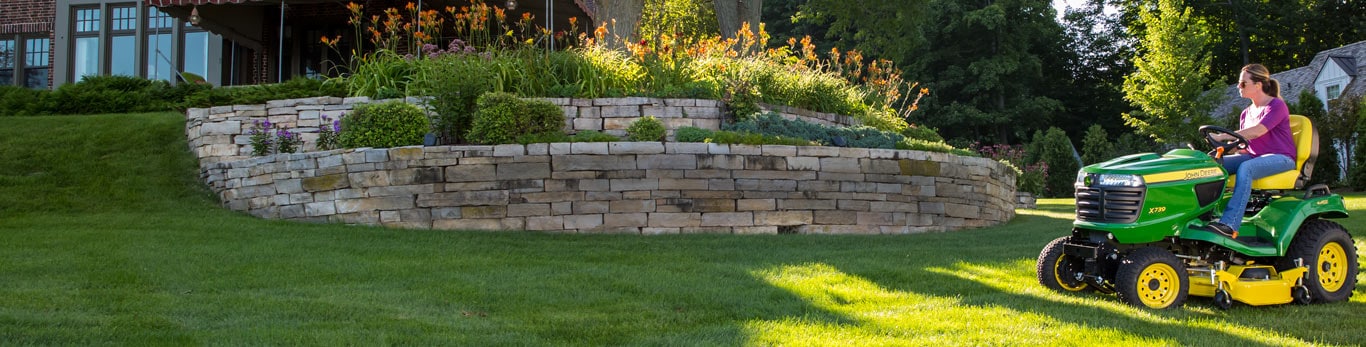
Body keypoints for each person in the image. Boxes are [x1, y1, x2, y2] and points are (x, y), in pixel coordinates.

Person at [1208, 64, 1297, 238]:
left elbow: (1258, 131)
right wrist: (1224, 149)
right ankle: (1205, 216)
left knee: (1246, 168)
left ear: (1258, 85)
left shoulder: (1276, 106)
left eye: (1242, 83)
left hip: (1282, 158)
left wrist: (1221, 137)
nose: (1238, 87)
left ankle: (1229, 224)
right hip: (1253, 156)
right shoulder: (1246, 113)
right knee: (1211, 165)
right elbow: (1243, 143)